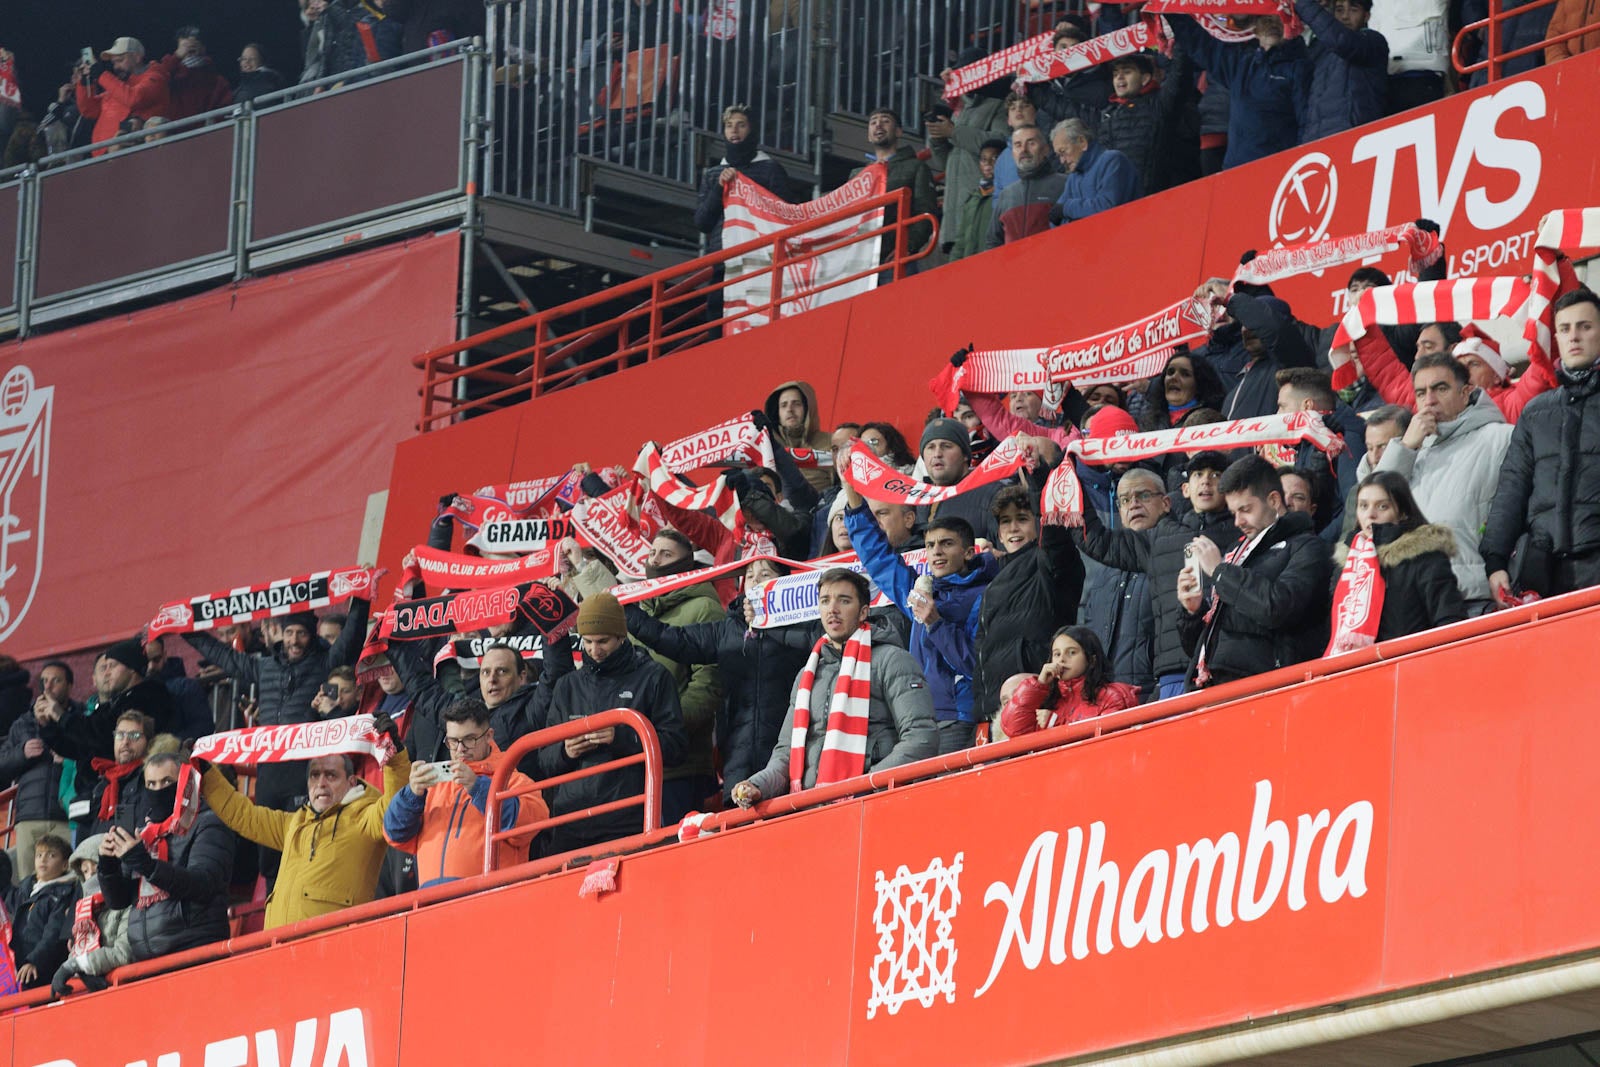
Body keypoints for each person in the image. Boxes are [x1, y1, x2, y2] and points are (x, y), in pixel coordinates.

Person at [731, 569, 937, 807]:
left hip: (874, 804)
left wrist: (864, 787)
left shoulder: (893, 660)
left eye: (844, 600)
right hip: (813, 810)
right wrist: (757, 785)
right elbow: (786, 753)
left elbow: (921, 738)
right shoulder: (807, 673)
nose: (833, 609)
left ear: (863, 612)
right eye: (825, 601)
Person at [626, 558, 814, 806]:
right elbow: (670, 638)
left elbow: (822, 639)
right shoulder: (726, 630)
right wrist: (626, 610)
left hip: (789, 757)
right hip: (736, 755)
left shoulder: (805, 627)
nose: (756, 580)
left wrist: (770, 625)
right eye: (749, 574)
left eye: (765, 574)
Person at [199, 717, 409, 929]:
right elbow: (243, 815)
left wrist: (394, 756)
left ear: (351, 782)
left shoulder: (366, 817)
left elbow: (396, 805)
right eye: (314, 776)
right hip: (278, 948)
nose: (321, 783)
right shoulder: (295, 823)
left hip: (335, 950)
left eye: (331, 775)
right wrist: (205, 773)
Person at [844, 483, 998, 753]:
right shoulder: (920, 592)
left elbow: (976, 664)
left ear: (969, 552)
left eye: (946, 544)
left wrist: (935, 623)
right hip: (918, 719)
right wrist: (854, 501)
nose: (936, 551)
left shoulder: (985, 595)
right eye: (930, 545)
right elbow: (879, 559)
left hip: (958, 719)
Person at [1075, 451, 1239, 699]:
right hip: (1171, 675)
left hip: (1228, 666)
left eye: (1217, 475)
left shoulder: (1245, 533)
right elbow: (1097, 540)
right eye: (1198, 475)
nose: (1206, 481)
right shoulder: (1161, 539)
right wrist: (1061, 476)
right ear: (1185, 488)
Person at [535, 594, 689, 851]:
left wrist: (621, 738)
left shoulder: (653, 677)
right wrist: (565, 751)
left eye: (603, 641)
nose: (595, 650)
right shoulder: (567, 686)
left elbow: (676, 747)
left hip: (627, 819)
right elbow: (544, 760)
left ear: (621, 635)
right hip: (570, 821)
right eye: (588, 641)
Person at [184, 604, 370, 813]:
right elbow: (223, 655)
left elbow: (351, 638)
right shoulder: (265, 666)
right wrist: (184, 628)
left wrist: (361, 602)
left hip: (305, 773)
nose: (294, 640)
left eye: (301, 633)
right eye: (289, 632)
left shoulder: (323, 663)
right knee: (265, 839)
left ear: (312, 635)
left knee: (300, 841)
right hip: (268, 773)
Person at [1482, 289, 1600, 602]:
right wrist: (1495, 560)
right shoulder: (1535, 411)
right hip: (1544, 575)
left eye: (1584, 326)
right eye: (1565, 329)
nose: (1573, 336)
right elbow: (1513, 488)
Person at [1178, 457, 1333, 688]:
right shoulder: (1236, 552)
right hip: (1212, 689)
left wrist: (1221, 573)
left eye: (1246, 509)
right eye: (1234, 512)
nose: (1238, 521)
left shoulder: (1309, 547)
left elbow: (1278, 607)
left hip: (1268, 690)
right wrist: (1192, 612)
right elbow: (1202, 648)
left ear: (1272, 500)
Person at [1374, 352, 1513, 606]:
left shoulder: (1502, 438)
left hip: (1472, 595)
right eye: (1420, 393)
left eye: (1440, 389)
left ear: (1466, 392)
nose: (1429, 401)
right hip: (1413, 601)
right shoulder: (1412, 449)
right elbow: (1374, 506)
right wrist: (1405, 447)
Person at [383, 698, 545, 884]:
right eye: (453, 741)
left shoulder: (516, 780)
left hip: (490, 897)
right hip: (431, 902)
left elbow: (527, 827)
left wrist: (478, 788)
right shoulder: (433, 785)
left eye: (469, 739)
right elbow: (394, 834)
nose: (460, 749)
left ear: (489, 736)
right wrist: (411, 795)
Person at [972, 470, 1085, 724]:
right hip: (997, 713)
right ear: (998, 534)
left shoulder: (1049, 562)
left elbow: (1055, 539)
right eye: (1005, 521)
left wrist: (1036, 482)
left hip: (1043, 703)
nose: (1013, 528)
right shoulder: (991, 588)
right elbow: (981, 656)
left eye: (1022, 519)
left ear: (1037, 522)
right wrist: (981, 712)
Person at [97, 753, 233, 961]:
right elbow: (119, 900)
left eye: (167, 781)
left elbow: (204, 884)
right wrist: (108, 865)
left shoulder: (208, 821)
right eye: (151, 784)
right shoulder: (144, 834)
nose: (158, 790)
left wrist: (147, 865)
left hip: (196, 952)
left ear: (184, 783)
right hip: (148, 960)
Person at [636, 531, 724, 822]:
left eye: (666, 555)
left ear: (686, 562)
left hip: (682, 763)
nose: (655, 560)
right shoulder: (637, 610)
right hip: (636, 763)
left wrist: (665, 729)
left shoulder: (704, 607)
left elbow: (708, 683)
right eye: (652, 553)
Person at [1329, 471, 1466, 650]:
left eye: (1382, 506)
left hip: (1413, 669)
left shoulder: (1425, 557)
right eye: (1363, 506)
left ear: (1402, 513)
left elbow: (1449, 619)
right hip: (1359, 671)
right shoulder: (1347, 565)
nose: (1370, 514)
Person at [1166, 14, 1308, 168]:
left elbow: (1306, 122)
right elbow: (1200, 43)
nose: (1272, 26)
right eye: (1266, 21)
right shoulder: (1242, 65)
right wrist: (1169, 10)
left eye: (1279, 20)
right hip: (1237, 169)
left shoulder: (1299, 68)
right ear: (1254, 29)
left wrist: (1298, 165)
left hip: (1280, 170)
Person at [1079, 468, 1164, 698]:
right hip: (1105, 701)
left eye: (1143, 495)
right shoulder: (1103, 572)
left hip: (1152, 697)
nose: (1134, 504)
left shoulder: (1172, 552)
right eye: (1125, 499)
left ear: (1166, 503)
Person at [998, 626, 1140, 737]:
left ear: (1091, 660)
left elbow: (1106, 741)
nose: (1062, 659)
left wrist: (1057, 724)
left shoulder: (1111, 695)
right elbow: (1013, 728)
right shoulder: (1046, 698)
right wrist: (1039, 684)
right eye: (1057, 654)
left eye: (1071, 652)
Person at [925, 76, 1009, 259]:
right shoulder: (960, 111)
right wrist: (938, 139)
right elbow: (945, 163)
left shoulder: (997, 105)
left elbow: (1001, 142)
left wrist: (954, 132)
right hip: (953, 219)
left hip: (981, 210)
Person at [693, 103, 792, 254]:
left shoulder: (771, 169)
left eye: (741, 125)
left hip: (762, 255)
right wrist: (720, 188)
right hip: (722, 259)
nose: (734, 130)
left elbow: (785, 215)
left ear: (751, 130)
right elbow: (702, 223)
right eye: (729, 125)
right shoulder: (713, 175)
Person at [1097, 50, 1197, 198]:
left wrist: (1177, 41)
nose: (1119, 77)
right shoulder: (1109, 115)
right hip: (1123, 203)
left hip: (1164, 199)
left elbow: (1180, 73)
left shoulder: (1161, 102)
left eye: (1127, 72)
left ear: (1144, 78)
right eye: (1115, 73)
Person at [0, 662, 70, 866]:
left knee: (68, 883)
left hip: (65, 813)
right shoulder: (21, 723)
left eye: (56, 680)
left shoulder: (78, 719)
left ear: (70, 685)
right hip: (29, 815)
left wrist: (70, 758)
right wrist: (21, 754)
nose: (48, 686)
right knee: (26, 886)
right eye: (44, 681)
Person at [1294, 0, 1388, 141]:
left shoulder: (1373, 41)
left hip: (1355, 137)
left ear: (1367, 16)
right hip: (1315, 142)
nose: (1345, 16)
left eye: (1353, 10)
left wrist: (1303, 4)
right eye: (1339, 10)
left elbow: (1341, 41)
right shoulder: (1317, 50)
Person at [51, 834, 132, 997]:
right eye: (86, 871)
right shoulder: (84, 914)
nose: (91, 874)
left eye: (96, 866)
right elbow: (74, 962)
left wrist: (77, 965)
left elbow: (124, 953)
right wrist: (77, 968)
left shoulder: (127, 903)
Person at [854, 107, 937, 266]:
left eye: (885, 121)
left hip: (894, 257)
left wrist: (907, 246)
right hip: (861, 259)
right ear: (869, 136)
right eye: (873, 123)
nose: (878, 125)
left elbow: (925, 211)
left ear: (898, 132)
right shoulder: (857, 175)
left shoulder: (915, 167)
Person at [916, 416, 1008, 544]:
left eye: (946, 446)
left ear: (965, 455)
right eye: (930, 447)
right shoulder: (916, 499)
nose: (937, 454)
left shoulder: (994, 494)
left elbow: (1008, 553)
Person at [75, 37, 171, 151]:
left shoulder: (155, 77)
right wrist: (86, 83)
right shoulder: (119, 85)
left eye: (120, 60)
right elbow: (89, 111)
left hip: (133, 153)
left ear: (137, 57)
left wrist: (101, 75)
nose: (116, 67)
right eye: (114, 62)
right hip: (105, 155)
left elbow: (133, 98)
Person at [6, 834, 76, 989]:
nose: (43, 859)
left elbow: (54, 933)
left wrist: (34, 961)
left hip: (41, 969)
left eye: (51, 855)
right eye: (39, 855)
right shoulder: (28, 889)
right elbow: (7, 895)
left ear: (65, 865)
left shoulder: (64, 894)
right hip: (21, 966)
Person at [1453, 327, 1558, 423]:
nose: (1463, 371)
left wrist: (1544, 328)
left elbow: (1541, 362)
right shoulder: (1449, 413)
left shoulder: (1511, 403)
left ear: (1496, 376)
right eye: (1459, 367)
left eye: (1474, 364)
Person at [987, 124, 1066, 248]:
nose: (1024, 150)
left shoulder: (1065, 184)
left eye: (1031, 143)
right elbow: (993, 242)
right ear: (1013, 153)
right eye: (1018, 145)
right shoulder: (1006, 195)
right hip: (1014, 266)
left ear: (1046, 149)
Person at [1048, 118, 1139, 225]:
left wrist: (1068, 209)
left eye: (1063, 152)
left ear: (1082, 142)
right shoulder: (1073, 177)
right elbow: (1055, 218)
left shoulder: (1113, 160)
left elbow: (1107, 207)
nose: (1062, 160)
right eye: (1059, 155)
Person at [763, 380, 836, 493]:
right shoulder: (766, 448)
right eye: (783, 405)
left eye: (796, 404)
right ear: (777, 413)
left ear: (808, 408)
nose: (789, 409)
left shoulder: (831, 442)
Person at [145, 635, 213, 741]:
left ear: (165, 656)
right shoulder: (130, 692)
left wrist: (167, 744)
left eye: (156, 659)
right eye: (145, 660)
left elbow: (203, 727)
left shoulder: (186, 687)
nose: (151, 666)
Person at [1138, 350, 1227, 431]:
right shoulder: (1147, 422)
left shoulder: (1211, 421)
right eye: (1170, 372)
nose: (1174, 377)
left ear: (1199, 383)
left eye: (1185, 374)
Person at [157, 27, 233, 121]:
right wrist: (176, 57)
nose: (189, 50)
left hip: (203, 133)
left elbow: (223, 112)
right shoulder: (171, 73)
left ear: (203, 47)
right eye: (184, 46)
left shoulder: (217, 81)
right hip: (173, 132)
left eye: (193, 45)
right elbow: (155, 82)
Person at [949, 138, 1005, 261]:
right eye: (984, 159)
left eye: (994, 158)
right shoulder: (973, 199)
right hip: (970, 267)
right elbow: (961, 241)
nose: (988, 163)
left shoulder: (1005, 194)